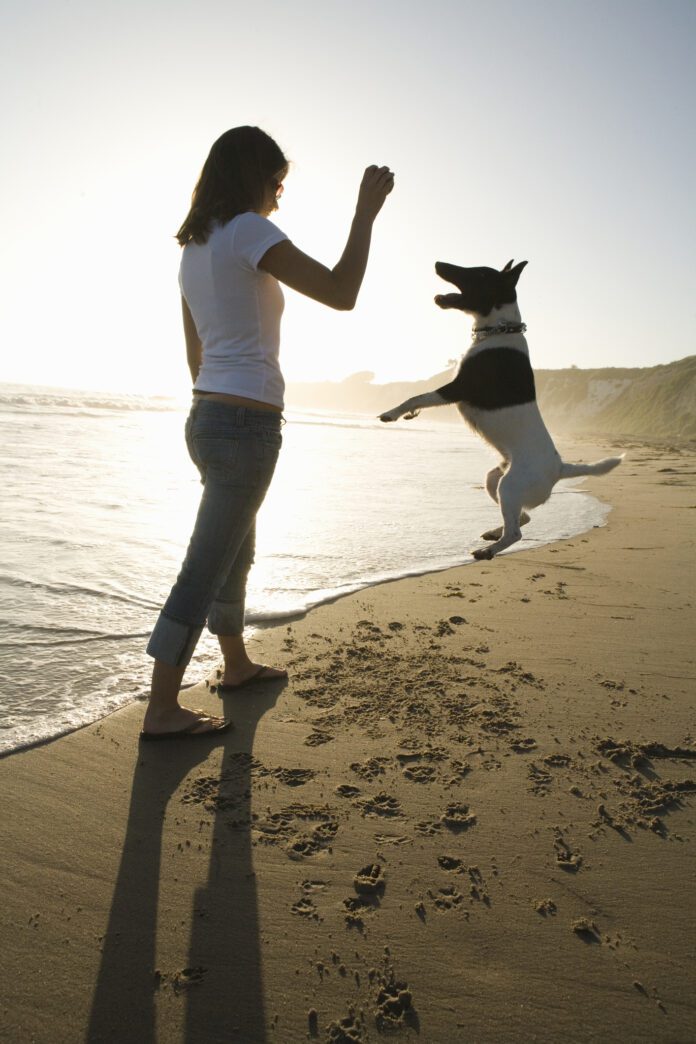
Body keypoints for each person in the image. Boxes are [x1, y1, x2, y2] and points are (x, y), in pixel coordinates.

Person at [141, 126, 394, 739]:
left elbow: (194, 356)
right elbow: (341, 292)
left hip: (207, 418)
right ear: (254, 177)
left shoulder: (193, 249)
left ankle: (235, 665)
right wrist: (365, 213)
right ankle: (162, 708)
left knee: (234, 549)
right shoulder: (248, 230)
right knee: (206, 562)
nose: (279, 195)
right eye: (276, 182)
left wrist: (221, 410)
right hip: (245, 424)